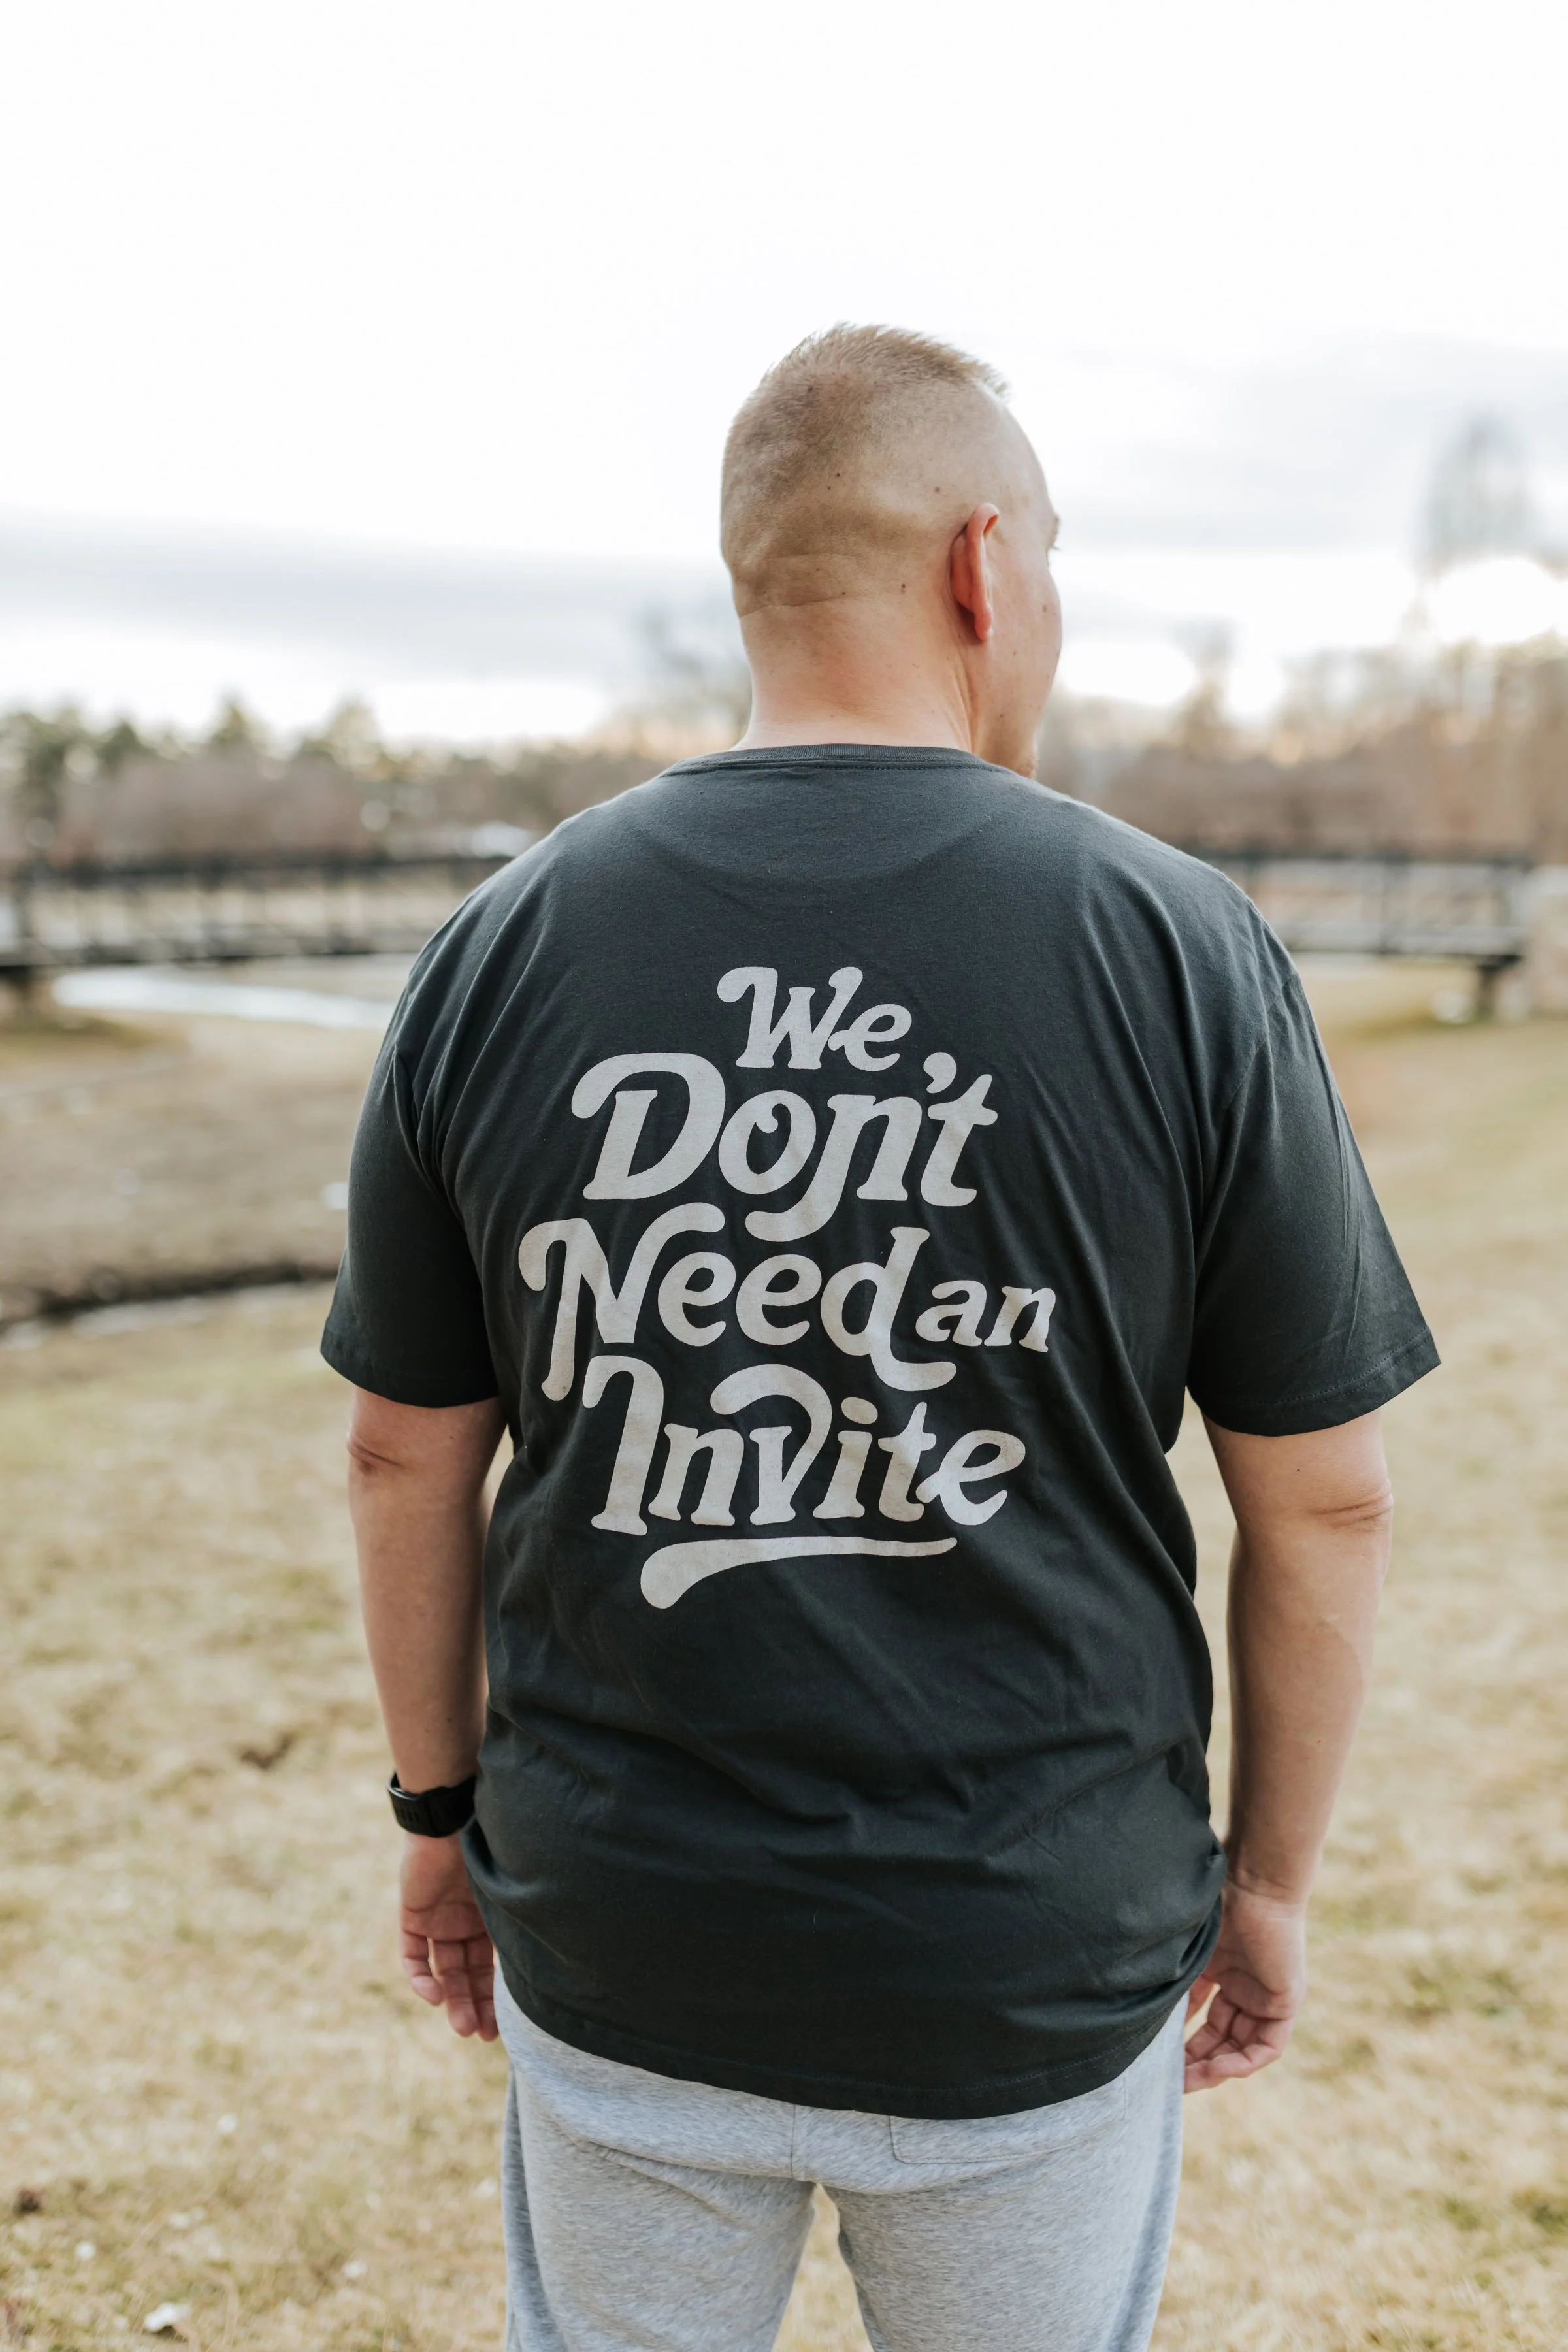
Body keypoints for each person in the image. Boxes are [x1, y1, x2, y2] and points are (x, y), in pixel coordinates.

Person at [323, 325, 1437, 2352]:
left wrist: (435, 1821)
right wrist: (1266, 1887)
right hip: (1032, 1948)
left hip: (626, 1934)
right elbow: (1328, 1502)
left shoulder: (502, 945)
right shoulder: (1179, 948)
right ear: (982, 565)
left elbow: (408, 1454)